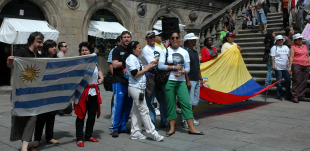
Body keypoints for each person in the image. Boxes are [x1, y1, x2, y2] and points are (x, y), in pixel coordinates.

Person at [158, 32, 204, 137]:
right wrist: (174, 68)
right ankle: (172, 128)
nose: (175, 39)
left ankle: (191, 128)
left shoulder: (184, 52)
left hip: (181, 81)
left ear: (180, 39)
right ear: (169, 39)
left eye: (177, 37)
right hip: (169, 80)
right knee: (171, 105)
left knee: (186, 104)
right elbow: (160, 66)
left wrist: (183, 72)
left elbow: (187, 68)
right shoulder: (165, 51)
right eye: (172, 37)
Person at [7, 32, 44, 151]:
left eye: (42, 42)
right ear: (32, 41)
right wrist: (9, 61)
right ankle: (25, 144)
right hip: (20, 92)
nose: (41, 44)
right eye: (39, 41)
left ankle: (24, 147)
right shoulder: (21, 53)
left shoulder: (39, 56)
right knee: (20, 118)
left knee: (32, 117)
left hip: (34, 93)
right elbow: (11, 65)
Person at [126, 41, 164, 141]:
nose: (141, 49)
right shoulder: (130, 59)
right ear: (133, 49)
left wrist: (150, 64)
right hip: (135, 88)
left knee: (136, 111)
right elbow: (135, 74)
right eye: (139, 48)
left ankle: (135, 132)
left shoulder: (137, 59)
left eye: (141, 47)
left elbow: (142, 70)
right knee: (144, 110)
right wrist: (146, 69)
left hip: (140, 87)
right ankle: (153, 133)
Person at [74, 42, 103, 147]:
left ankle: (88, 135)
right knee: (81, 115)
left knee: (92, 115)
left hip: (94, 92)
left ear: (90, 51)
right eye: (82, 50)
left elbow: (99, 71)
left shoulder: (94, 62)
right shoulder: (79, 63)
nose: (84, 52)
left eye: (86, 50)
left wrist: (101, 78)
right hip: (83, 92)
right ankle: (79, 138)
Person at [32, 40, 59, 148]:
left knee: (51, 116)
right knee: (41, 116)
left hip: (54, 92)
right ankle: (37, 138)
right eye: (51, 46)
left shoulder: (57, 60)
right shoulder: (41, 59)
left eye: (55, 46)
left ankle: (49, 137)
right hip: (42, 92)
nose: (54, 48)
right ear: (46, 48)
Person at [141, 31, 168, 128]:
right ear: (146, 39)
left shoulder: (159, 47)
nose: (152, 38)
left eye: (153, 36)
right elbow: (152, 63)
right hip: (150, 76)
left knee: (163, 100)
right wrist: (160, 60)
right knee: (150, 101)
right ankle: (152, 122)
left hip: (160, 75)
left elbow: (165, 59)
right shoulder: (145, 49)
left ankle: (164, 121)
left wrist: (158, 61)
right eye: (150, 37)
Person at [110, 31, 133, 137]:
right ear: (121, 39)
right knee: (118, 105)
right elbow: (114, 65)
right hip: (119, 81)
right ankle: (115, 127)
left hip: (131, 82)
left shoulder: (132, 50)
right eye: (125, 37)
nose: (127, 39)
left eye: (128, 37)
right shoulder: (117, 50)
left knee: (128, 105)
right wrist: (126, 62)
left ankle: (123, 126)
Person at [183, 33, 203, 129]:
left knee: (195, 101)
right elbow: (184, 68)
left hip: (196, 79)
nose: (195, 41)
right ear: (189, 41)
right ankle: (185, 119)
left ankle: (190, 117)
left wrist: (200, 78)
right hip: (190, 79)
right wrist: (187, 80)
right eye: (194, 40)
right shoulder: (185, 52)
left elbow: (197, 67)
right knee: (188, 101)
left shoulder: (194, 52)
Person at [288, 33, 310, 103]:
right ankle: (295, 96)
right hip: (297, 64)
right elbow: (291, 57)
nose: (300, 40)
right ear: (295, 40)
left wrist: (309, 64)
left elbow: (308, 56)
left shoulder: (304, 46)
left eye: (301, 39)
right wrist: (290, 67)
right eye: (298, 39)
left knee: (304, 81)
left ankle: (301, 95)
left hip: (305, 65)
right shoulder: (293, 47)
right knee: (297, 80)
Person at [270, 35, 291, 101]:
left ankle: (288, 95)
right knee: (279, 82)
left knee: (288, 81)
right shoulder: (274, 47)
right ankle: (280, 95)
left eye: (281, 40)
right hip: (278, 67)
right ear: (276, 41)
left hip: (286, 67)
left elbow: (289, 57)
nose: (281, 41)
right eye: (279, 40)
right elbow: (272, 57)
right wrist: (273, 65)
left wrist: (290, 66)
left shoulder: (286, 47)